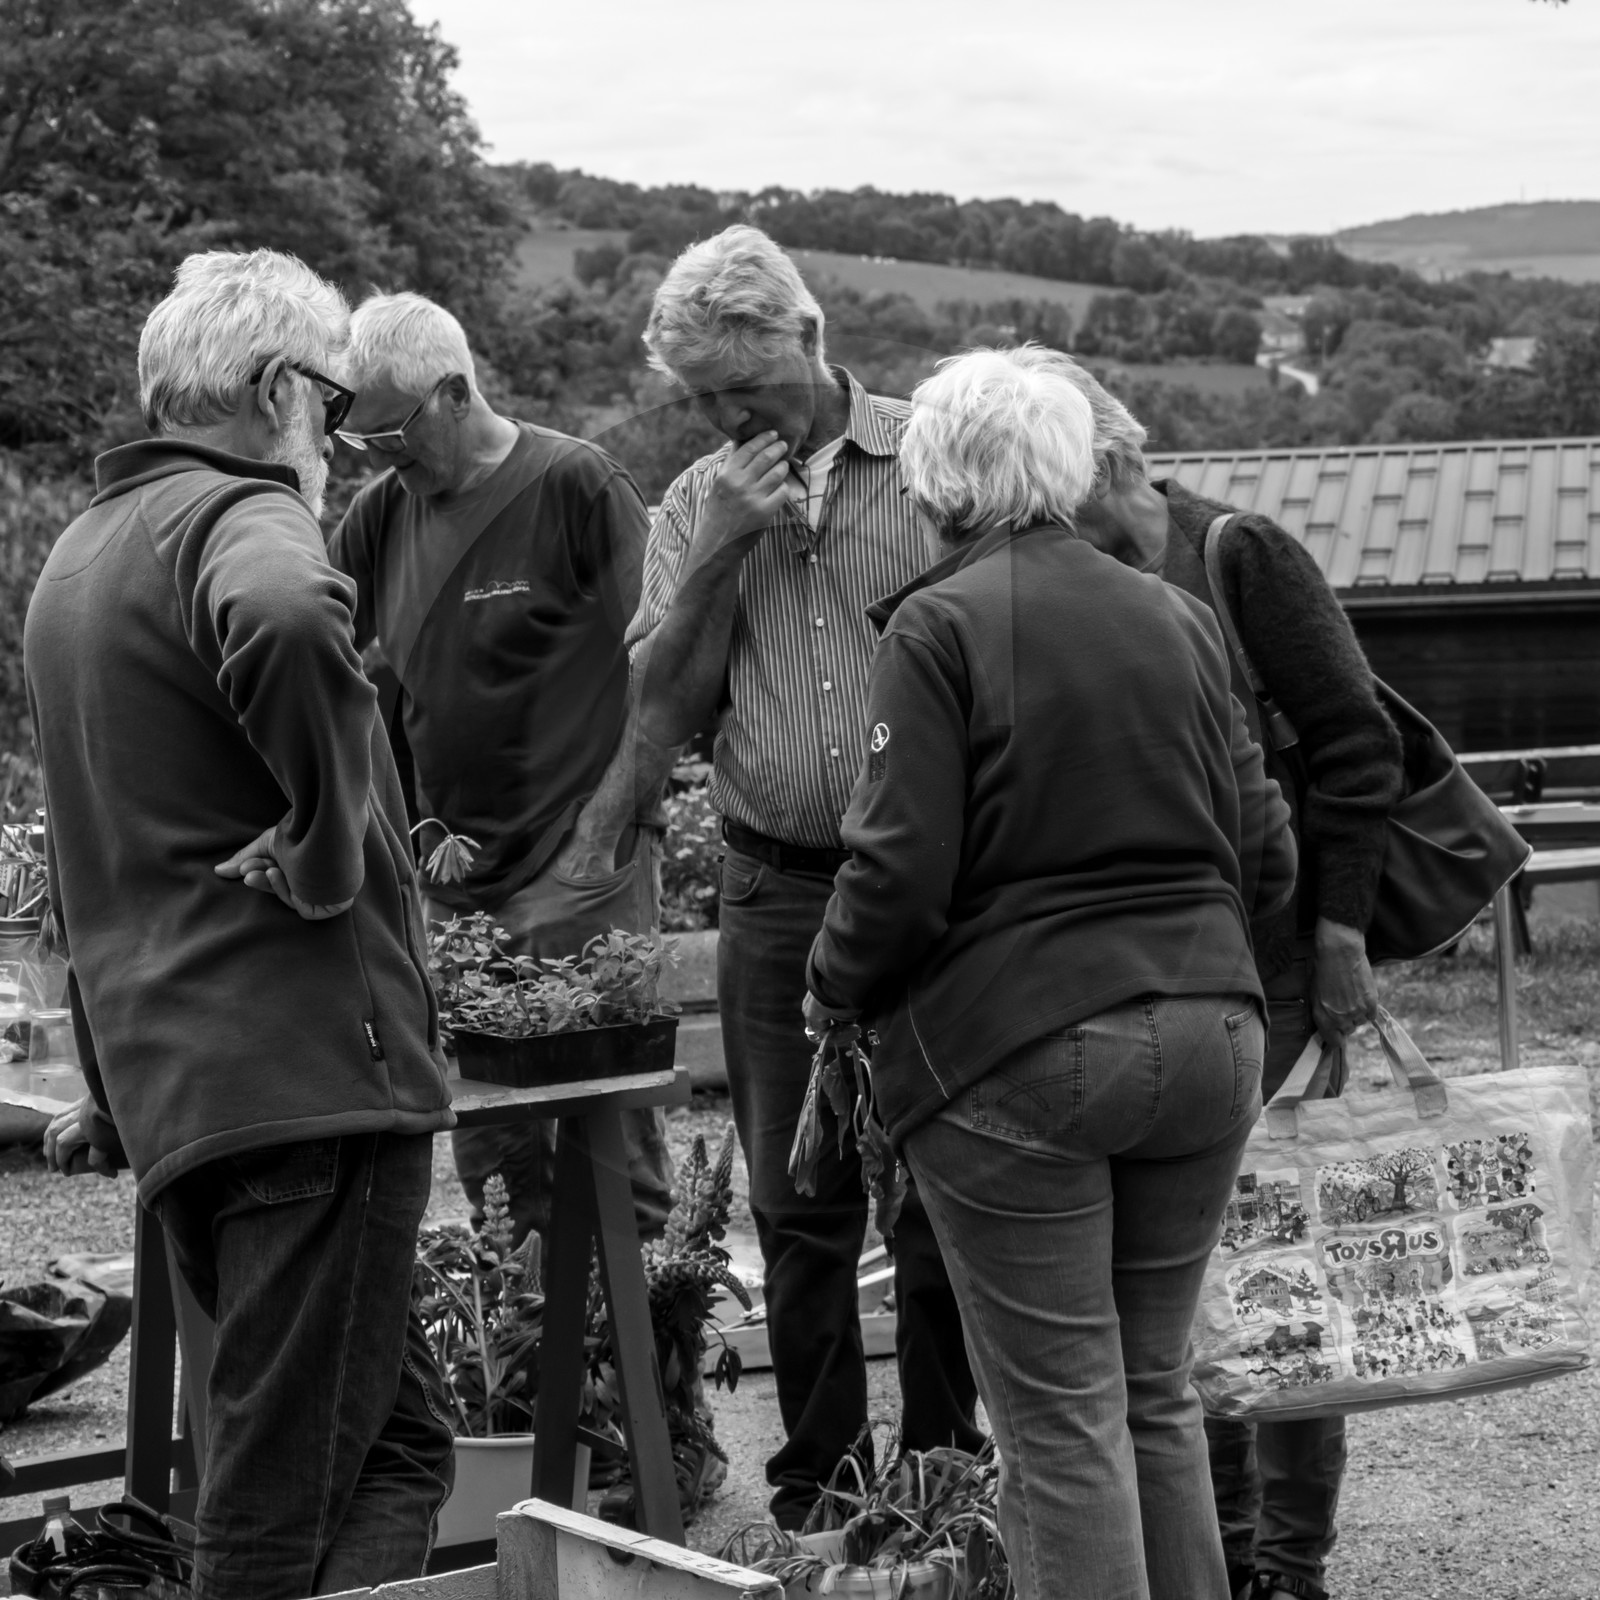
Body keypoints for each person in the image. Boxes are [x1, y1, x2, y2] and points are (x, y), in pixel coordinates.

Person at [803, 345, 1298, 1600]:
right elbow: (1267, 850)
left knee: (1059, 1418)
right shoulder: (1176, 612)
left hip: (1024, 1047)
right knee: (1154, 1392)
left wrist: (828, 986)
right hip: (1213, 1031)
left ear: (933, 484)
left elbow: (897, 872)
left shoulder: (938, 623)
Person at [26, 250, 456, 1600]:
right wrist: (333, 845)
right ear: (279, 388)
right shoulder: (244, 518)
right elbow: (281, 613)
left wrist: (103, 1084)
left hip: (186, 1094)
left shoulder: (80, 558)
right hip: (312, 1082)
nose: (333, 438)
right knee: (271, 1504)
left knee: (394, 1447)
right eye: (329, 404)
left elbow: (90, 861)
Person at [618, 224, 982, 1526]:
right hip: (773, 890)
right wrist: (721, 543)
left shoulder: (938, 468)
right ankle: (821, 1481)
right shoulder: (689, 504)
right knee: (795, 1195)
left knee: (939, 1185)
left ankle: (946, 1467)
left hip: (933, 889)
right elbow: (651, 712)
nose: (723, 418)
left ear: (810, 342)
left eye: (741, 388)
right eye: (700, 400)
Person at [1059, 358, 1405, 1600]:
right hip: (1162, 985)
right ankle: (1222, 1546)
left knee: (1285, 1272)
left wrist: (1339, 936)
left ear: (1103, 462)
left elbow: (1359, 744)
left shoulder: (1235, 556)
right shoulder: (1075, 574)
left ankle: (1287, 1565)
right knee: (1179, 1295)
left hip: (1278, 972)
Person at [327, 292, 673, 1250]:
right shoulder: (377, 518)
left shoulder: (576, 486)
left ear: (454, 391)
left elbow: (665, 671)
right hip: (456, 886)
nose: (381, 454)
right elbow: (334, 684)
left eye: (392, 430)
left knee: (608, 1144)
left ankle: (654, 1382)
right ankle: (530, 1384)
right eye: (359, 439)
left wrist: (605, 834)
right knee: (494, 1148)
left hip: (583, 867)